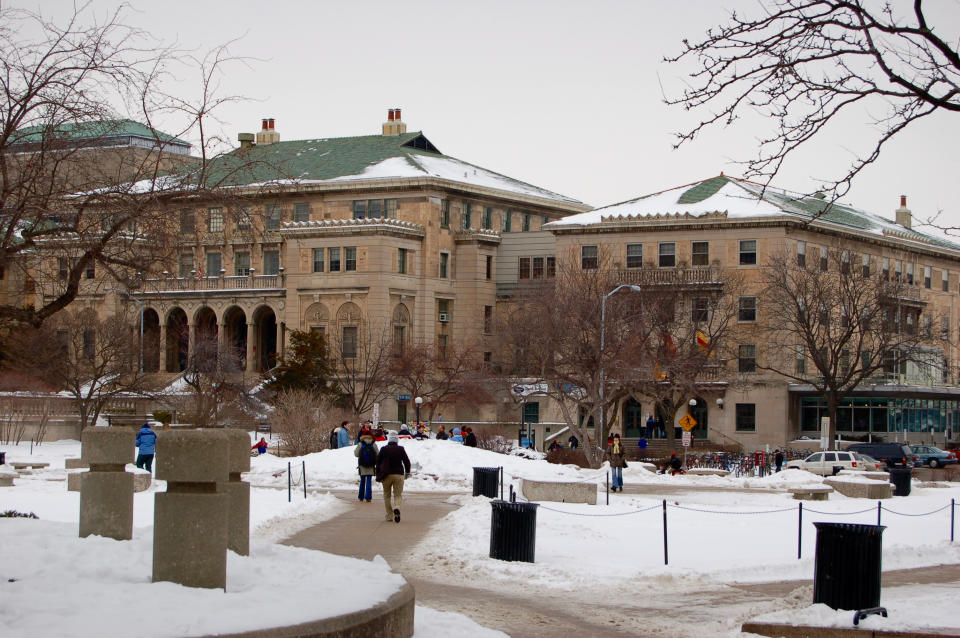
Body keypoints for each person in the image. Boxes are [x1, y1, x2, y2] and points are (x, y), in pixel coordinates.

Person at [376, 430, 411, 523]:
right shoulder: (401, 449)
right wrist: (407, 472)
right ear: (397, 440)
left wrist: (378, 474)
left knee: (387, 495)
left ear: (389, 439)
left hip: (386, 475)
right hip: (398, 474)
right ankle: (397, 507)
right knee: (398, 495)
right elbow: (407, 462)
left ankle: (389, 515)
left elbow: (378, 462)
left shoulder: (384, 449)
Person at [354, 429, 379, 503]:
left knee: (362, 480)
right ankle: (368, 497)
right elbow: (378, 453)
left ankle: (361, 497)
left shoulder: (361, 443)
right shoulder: (373, 443)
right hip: (371, 464)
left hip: (362, 464)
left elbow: (356, 454)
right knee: (369, 481)